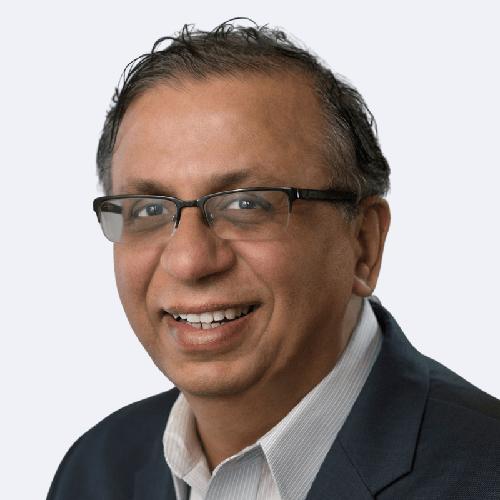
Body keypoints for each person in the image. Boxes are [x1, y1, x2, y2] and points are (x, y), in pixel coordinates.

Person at [47, 19, 500, 500]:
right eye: (149, 210)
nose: (190, 261)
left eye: (247, 204)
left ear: (363, 243)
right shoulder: (96, 469)